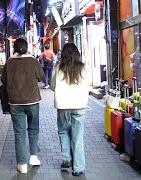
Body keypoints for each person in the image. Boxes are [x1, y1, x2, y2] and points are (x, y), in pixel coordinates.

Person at [1, 38, 44, 174]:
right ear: (26, 47)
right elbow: (41, 77)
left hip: (15, 102)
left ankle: (22, 164)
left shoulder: (9, 63)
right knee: (33, 128)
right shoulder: (33, 61)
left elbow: (3, 79)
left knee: (19, 133)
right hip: (32, 100)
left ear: (14, 48)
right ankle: (33, 157)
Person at [50, 43, 89, 176]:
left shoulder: (58, 68)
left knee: (63, 131)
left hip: (63, 105)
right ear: (77, 54)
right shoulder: (83, 68)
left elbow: (52, 85)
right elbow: (87, 85)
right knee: (78, 136)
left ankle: (67, 159)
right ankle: (78, 167)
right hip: (79, 105)